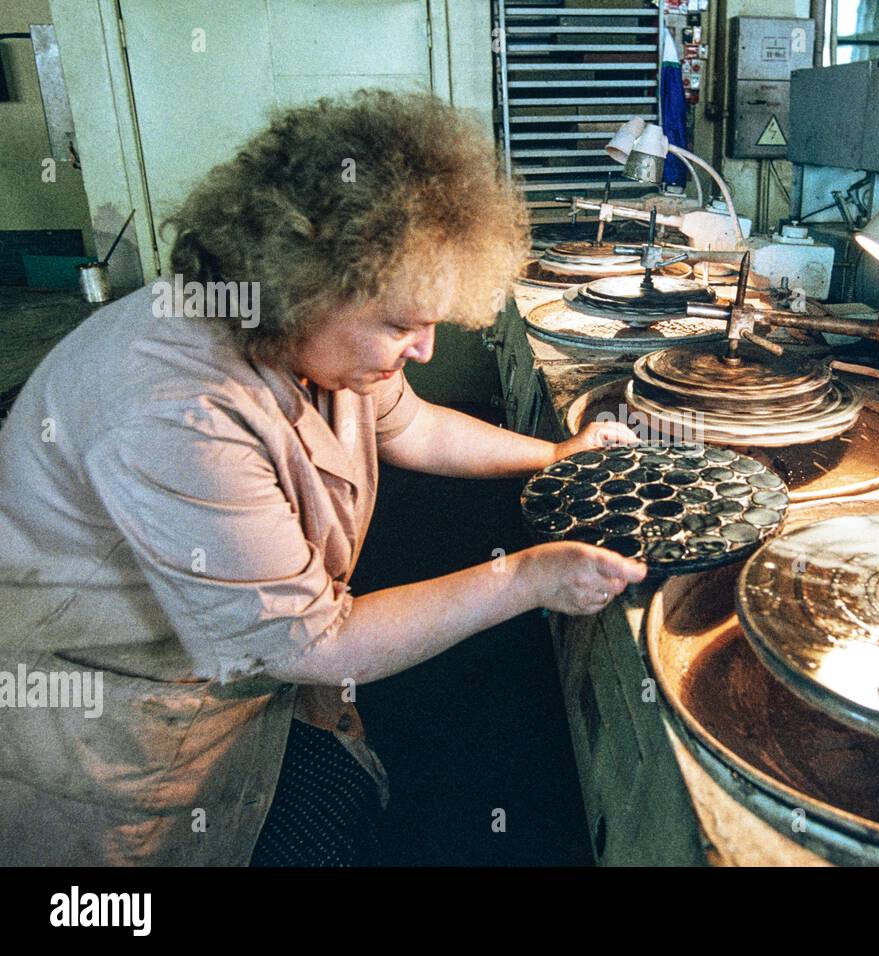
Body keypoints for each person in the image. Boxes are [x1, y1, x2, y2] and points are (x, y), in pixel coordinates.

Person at [0, 91, 645, 865]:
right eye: (402, 325)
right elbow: (313, 643)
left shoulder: (305, 333)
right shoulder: (176, 411)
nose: (425, 351)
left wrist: (552, 456)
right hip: (119, 737)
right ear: (306, 282)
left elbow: (412, 425)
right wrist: (526, 580)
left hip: (241, 689)